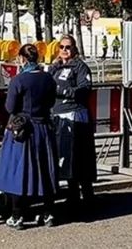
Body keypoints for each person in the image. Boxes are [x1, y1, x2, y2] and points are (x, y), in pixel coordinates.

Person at [0, 44, 59, 230]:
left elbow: (10, 107)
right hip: (43, 128)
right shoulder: (48, 79)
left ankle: (17, 216)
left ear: (22, 59)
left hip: (23, 130)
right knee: (45, 170)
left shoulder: (18, 80)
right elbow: (51, 102)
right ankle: (48, 213)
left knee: (18, 171)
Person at [49, 34, 96, 214]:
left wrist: (62, 91)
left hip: (76, 116)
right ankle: (72, 194)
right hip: (58, 117)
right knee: (65, 158)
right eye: (61, 47)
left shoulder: (80, 67)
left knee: (80, 157)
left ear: (74, 49)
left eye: (68, 47)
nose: (64, 50)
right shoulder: (54, 67)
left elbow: (84, 89)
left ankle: (88, 196)